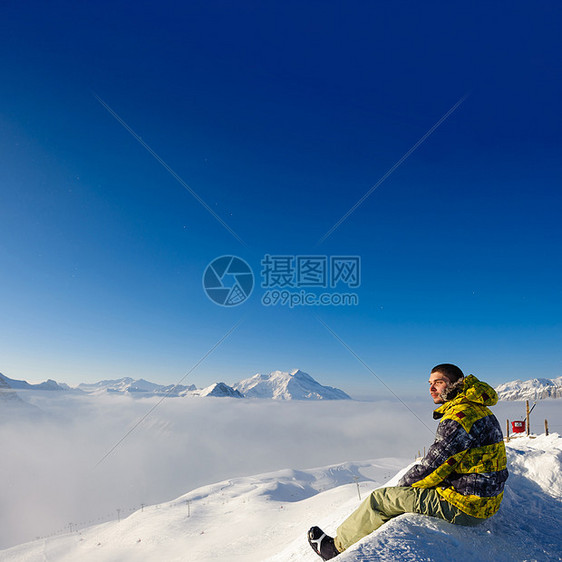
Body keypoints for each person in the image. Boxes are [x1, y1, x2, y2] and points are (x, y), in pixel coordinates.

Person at [308, 364, 508, 560]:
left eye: (438, 382)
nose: (431, 388)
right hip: (485, 499)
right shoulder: (478, 409)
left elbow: (432, 467)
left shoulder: (459, 417)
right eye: (430, 383)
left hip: (468, 507)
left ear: (456, 384)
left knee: (380, 499)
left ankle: (334, 548)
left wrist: (400, 489)